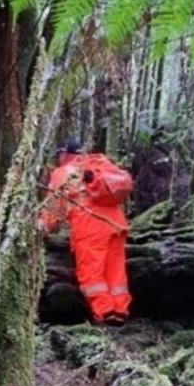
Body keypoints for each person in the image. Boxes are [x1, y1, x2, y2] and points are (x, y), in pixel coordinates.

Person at [40, 138, 134, 326]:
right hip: (116, 223)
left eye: (59, 155)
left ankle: (105, 312)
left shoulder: (64, 173)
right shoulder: (99, 164)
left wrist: (42, 227)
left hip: (91, 227)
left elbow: (55, 208)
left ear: (65, 154)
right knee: (115, 273)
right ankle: (120, 310)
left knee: (92, 274)